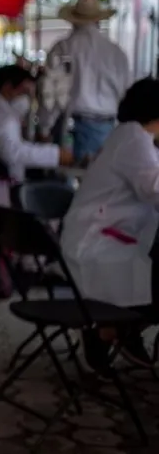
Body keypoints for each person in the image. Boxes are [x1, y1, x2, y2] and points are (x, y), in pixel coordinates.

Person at [60, 78, 159, 370]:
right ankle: (113, 329)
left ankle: (117, 329)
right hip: (96, 244)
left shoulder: (136, 138)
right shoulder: (132, 138)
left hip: (107, 237)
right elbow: (153, 187)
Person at [38, 0, 131, 163]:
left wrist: (45, 128)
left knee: (70, 182)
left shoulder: (63, 48)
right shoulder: (117, 53)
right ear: (99, 21)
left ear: (73, 21)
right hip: (108, 127)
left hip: (72, 125)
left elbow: (51, 95)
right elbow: (125, 94)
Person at [0, 65, 72, 207]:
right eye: (25, 92)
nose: (27, 99)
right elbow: (13, 152)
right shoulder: (1, 116)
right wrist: (56, 155)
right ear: (8, 87)